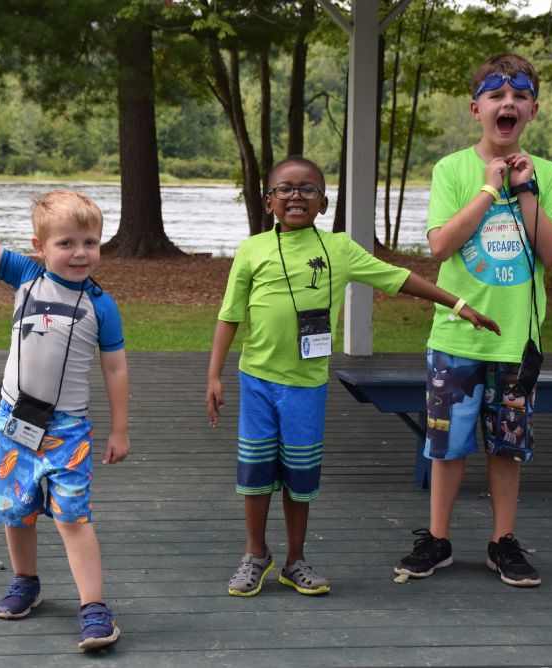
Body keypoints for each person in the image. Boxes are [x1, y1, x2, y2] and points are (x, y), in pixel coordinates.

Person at [206, 155, 500, 597]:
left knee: (300, 474)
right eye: (285, 189)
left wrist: (457, 304)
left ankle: (295, 560)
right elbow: (229, 315)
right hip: (257, 382)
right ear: (269, 202)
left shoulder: (339, 249)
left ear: (323, 203)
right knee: (256, 470)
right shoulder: (252, 249)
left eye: (308, 189)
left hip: (306, 386)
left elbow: (398, 278)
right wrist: (214, 374)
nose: (296, 196)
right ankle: (255, 553)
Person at [0, 157, 129, 650]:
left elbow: (116, 369)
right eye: (66, 243)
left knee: (73, 517)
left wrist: (120, 428)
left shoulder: (101, 305)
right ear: (40, 247)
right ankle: (25, 582)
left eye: (90, 242)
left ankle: (94, 608)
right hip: (14, 423)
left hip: (68, 432)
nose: (80, 253)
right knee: (15, 510)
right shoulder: (24, 276)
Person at [393, 53, 552, 588]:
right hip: (457, 336)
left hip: (517, 341)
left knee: (508, 445)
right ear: (476, 109)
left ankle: (502, 541)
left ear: (533, 110)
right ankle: (438, 538)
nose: (507, 103)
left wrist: (525, 189)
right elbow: (440, 245)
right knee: (446, 444)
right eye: (496, 96)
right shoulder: (452, 170)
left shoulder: (548, 174)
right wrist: (490, 189)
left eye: (519, 96)